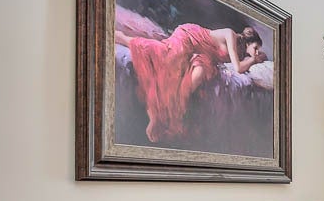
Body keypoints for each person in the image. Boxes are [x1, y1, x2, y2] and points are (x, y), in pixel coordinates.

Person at [114, 24, 268, 143]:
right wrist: (254, 59)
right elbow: (238, 68)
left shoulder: (242, 53)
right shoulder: (230, 34)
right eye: (255, 48)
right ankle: (123, 38)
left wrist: (253, 58)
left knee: (195, 78)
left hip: (205, 56)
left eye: (257, 50)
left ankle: (164, 115)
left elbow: (240, 67)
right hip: (191, 37)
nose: (256, 52)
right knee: (167, 56)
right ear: (248, 41)